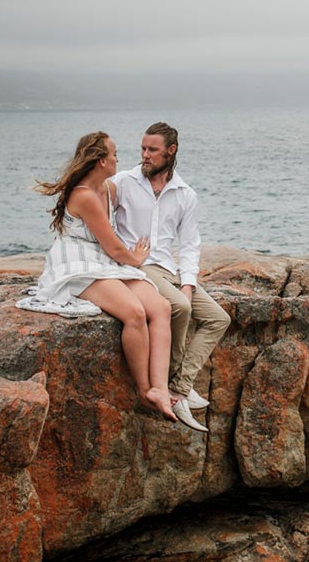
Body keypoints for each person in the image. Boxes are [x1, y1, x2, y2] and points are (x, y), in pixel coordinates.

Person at [17, 131, 177, 423]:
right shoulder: (84, 196)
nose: (118, 158)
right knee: (135, 312)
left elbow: (137, 191)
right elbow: (114, 247)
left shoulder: (107, 188)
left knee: (161, 308)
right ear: (102, 161)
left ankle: (161, 389)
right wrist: (137, 258)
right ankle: (144, 391)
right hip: (78, 262)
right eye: (114, 154)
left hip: (102, 260)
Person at [114, 122, 230, 433]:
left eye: (152, 150)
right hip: (137, 267)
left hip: (167, 270)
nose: (145, 155)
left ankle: (179, 386)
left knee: (218, 318)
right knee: (179, 306)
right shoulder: (122, 182)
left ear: (171, 151)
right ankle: (171, 388)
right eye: (142, 149)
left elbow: (190, 244)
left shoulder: (185, 194)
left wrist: (189, 284)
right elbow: (96, 211)